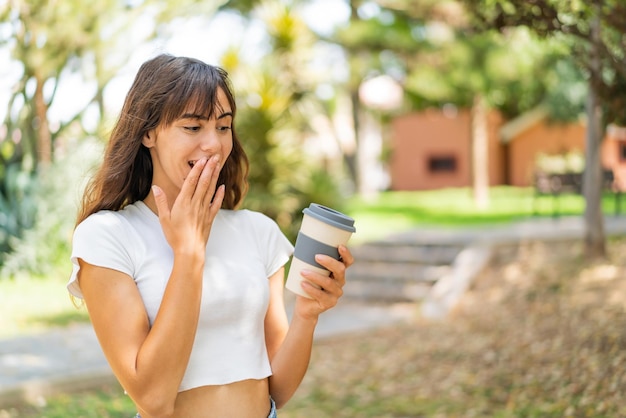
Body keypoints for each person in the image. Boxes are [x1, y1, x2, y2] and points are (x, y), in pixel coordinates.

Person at [66, 53, 353, 418]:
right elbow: (153, 399)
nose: (214, 145)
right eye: (192, 127)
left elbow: (277, 388)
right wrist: (189, 253)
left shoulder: (257, 231)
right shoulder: (108, 237)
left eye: (223, 126)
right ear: (148, 133)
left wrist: (308, 315)